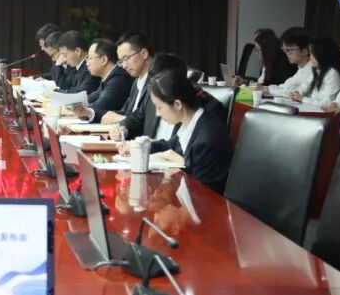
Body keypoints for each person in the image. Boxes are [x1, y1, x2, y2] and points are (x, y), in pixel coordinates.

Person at [125, 66, 234, 194]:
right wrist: (140, 147)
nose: (157, 114)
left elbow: (200, 190)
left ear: (177, 104)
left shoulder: (206, 138)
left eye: (159, 107)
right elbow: (170, 145)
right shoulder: (193, 122)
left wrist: (179, 161)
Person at [103, 33, 174, 141]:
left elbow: (145, 122)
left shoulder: (159, 83)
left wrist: (121, 119)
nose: (124, 65)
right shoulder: (136, 82)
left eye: (126, 58)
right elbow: (131, 114)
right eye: (121, 61)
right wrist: (121, 125)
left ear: (144, 53)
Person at [76, 38, 132, 122]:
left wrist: (79, 109)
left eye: (90, 58)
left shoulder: (118, 79)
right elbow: (93, 97)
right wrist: (75, 104)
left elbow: (100, 106)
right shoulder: (109, 76)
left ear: (104, 60)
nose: (87, 63)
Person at [290, 35, 340, 107]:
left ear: (322, 54)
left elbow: (326, 104)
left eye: (313, 54)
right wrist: (296, 93)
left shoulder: (333, 74)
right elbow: (304, 86)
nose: (310, 58)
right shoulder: (317, 70)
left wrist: (302, 99)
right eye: (310, 54)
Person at [266, 28, 313, 98]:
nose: (287, 54)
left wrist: (267, 90)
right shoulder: (302, 68)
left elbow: (295, 93)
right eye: (285, 51)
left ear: (305, 51)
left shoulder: (313, 70)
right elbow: (286, 86)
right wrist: (265, 88)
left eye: (289, 50)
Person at [55, 30, 99, 95]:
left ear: (78, 51)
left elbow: (81, 92)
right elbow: (65, 85)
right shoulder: (77, 65)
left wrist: (54, 92)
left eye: (65, 55)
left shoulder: (90, 67)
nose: (64, 59)